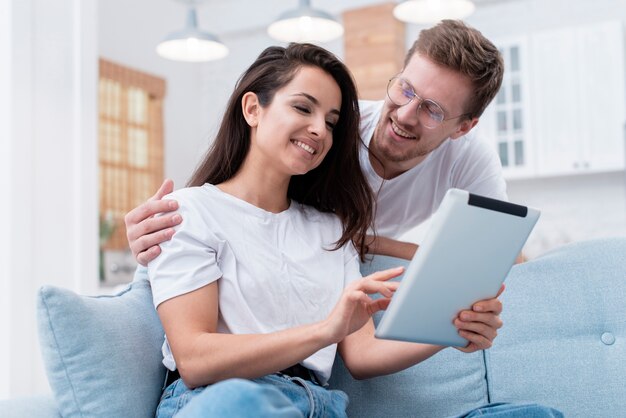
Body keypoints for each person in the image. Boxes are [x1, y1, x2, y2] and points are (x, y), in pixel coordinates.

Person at [147, 43, 507, 418]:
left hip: (318, 406)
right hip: (226, 399)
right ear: (253, 108)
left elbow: (364, 355)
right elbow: (194, 359)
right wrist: (324, 330)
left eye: (332, 122)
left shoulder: (331, 230)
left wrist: (452, 328)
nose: (319, 129)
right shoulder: (190, 211)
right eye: (303, 108)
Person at [125, 20, 508, 264]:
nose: (406, 114)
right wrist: (164, 233)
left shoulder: (471, 158)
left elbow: (494, 256)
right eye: (405, 89)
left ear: (463, 128)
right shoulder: (334, 132)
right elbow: (250, 202)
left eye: (433, 110)